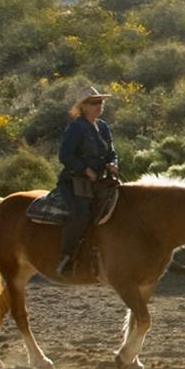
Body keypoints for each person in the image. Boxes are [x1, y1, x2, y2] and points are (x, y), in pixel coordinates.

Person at [56, 86, 120, 276]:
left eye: (100, 102)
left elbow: (111, 152)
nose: (99, 105)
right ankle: (66, 257)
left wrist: (113, 163)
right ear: (83, 106)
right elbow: (65, 155)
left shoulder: (103, 126)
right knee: (80, 215)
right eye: (94, 102)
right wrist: (85, 169)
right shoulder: (76, 128)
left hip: (99, 181)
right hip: (74, 182)